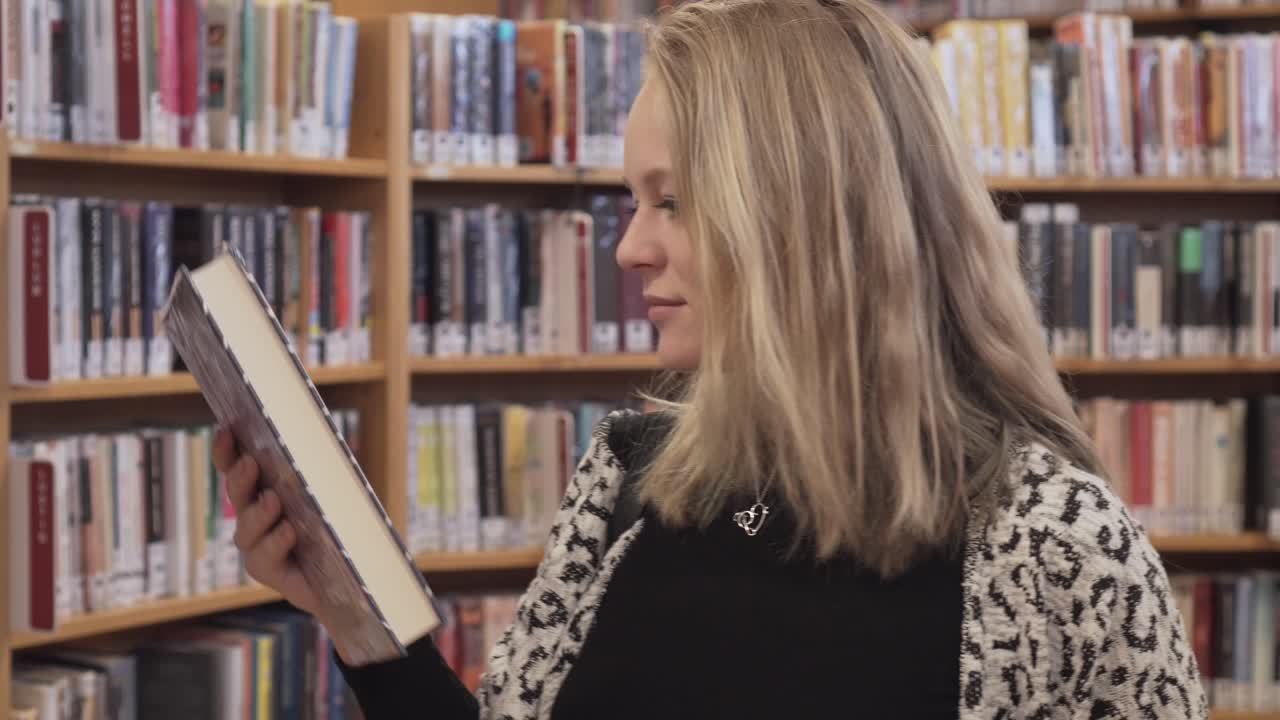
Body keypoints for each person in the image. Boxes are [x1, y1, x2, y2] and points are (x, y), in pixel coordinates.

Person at [214, 0, 1208, 718]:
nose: (628, 249)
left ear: (810, 217)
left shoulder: (1056, 545)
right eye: (632, 202)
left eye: (674, 202)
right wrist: (354, 619)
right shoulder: (629, 478)